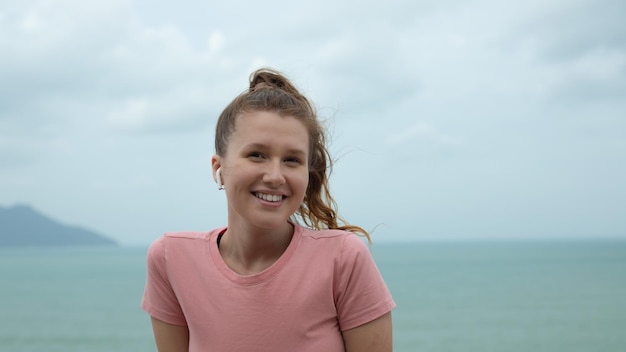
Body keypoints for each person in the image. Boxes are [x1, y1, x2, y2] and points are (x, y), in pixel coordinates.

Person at [141, 68, 396, 351]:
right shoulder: (170, 259)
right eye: (257, 155)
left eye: (291, 160)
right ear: (219, 168)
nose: (275, 176)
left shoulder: (343, 259)